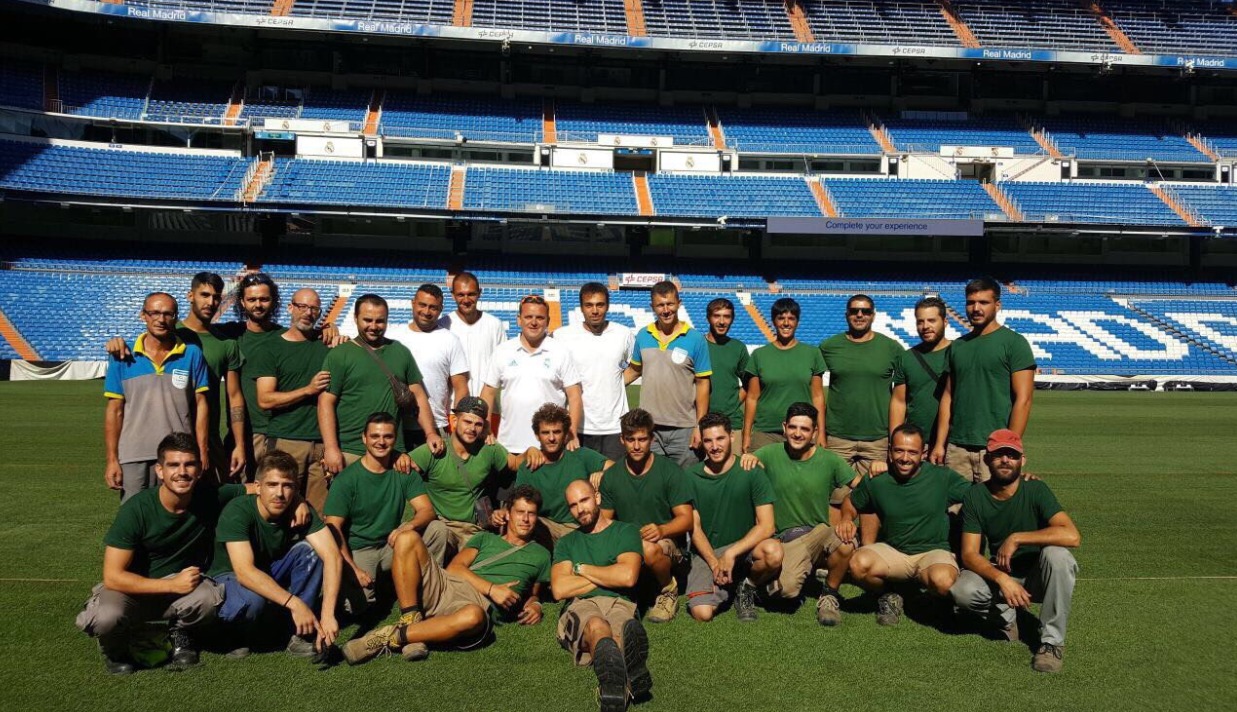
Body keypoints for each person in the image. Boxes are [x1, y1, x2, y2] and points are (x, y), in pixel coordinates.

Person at [77, 434, 245, 674]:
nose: (182, 472)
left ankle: (181, 634)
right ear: (159, 470)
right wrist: (171, 585)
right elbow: (113, 577)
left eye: (189, 464)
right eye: (173, 465)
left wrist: (299, 502)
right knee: (105, 616)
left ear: (199, 469)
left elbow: (258, 489)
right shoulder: (136, 509)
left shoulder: (210, 495)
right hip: (133, 590)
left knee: (208, 599)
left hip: (180, 589)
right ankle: (114, 648)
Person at [342, 485, 552, 665]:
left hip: (475, 605)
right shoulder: (485, 539)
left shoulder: (541, 555)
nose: (525, 519)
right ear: (508, 512)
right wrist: (492, 589)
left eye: (531, 513)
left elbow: (534, 593)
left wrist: (536, 604)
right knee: (406, 538)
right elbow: (454, 568)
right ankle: (410, 618)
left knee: (473, 616)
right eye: (520, 512)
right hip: (447, 584)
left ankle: (390, 636)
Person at [950, 429, 1080, 673]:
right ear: (988, 459)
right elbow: (969, 554)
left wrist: (1017, 538)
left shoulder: (1036, 489)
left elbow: (1072, 536)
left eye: (1012, 455)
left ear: (1023, 460)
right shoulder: (976, 496)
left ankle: (1052, 644)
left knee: (1059, 555)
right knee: (963, 590)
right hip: (1004, 571)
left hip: (1037, 574)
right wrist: (1002, 579)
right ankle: (1008, 621)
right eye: (999, 455)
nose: (1006, 460)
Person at [105, 272, 247, 484]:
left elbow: (234, 397)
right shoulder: (168, 330)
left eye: (216, 297)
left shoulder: (224, 343)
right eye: (204, 295)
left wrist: (239, 444)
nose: (211, 302)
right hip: (154, 443)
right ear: (190, 296)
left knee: (200, 508)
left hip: (206, 440)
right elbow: (144, 345)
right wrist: (116, 342)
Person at [209, 450, 343, 657]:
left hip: (267, 571)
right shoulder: (238, 511)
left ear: (295, 489)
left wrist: (327, 613)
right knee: (253, 601)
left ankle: (298, 633)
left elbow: (332, 555)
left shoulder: (300, 508)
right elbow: (244, 572)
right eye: (272, 485)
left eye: (287, 486)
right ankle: (232, 633)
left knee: (310, 552)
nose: (279, 494)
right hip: (229, 577)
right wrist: (294, 603)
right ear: (257, 487)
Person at [840, 423, 970, 627]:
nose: (905, 458)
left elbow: (979, 495)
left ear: (923, 453)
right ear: (890, 450)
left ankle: (930, 598)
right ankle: (889, 595)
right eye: (899, 450)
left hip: (932, 551)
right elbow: (851, 501)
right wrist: (847, 518)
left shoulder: (942, 477)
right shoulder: (878, 479)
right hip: (894, 551)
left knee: (944, 582)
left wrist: (1019, 482)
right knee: (858, 565)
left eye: (912, 452)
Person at [741, 402, 857, 625]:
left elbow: (862, 489)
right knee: (787, 593)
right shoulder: (768, 454)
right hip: (784, 541)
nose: (797, 433)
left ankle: (829, 595)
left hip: (818, 536)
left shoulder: (829, 460)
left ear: (815, 432)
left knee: (846, 540)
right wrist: (747, 460)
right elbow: (740, 477)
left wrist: (846, 517)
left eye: (805, 429)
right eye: (793, 427)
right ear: (784, 427)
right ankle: (762, 584)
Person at [323, 413, 441, 613]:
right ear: (364, 438)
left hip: (391, 543)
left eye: (387, 437)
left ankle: (427, 590)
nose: (381, 442)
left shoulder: (403, 471)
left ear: (395, 439)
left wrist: (408, 526)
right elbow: (332, 529)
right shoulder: (346, 480)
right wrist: (353, 569)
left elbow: (426, 510)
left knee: (438, 530)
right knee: (357, 608)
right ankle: (386, 582)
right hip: (359, 549)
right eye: (375, 436)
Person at [551, 480, 652, 712]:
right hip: (581, 605)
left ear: (597, 497)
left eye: (584, 500)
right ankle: (626, 678)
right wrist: (608, 573)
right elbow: (560, 589)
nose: (580, 509)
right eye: (573, 505)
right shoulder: (567, 542)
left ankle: (613, 690)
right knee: (597, 625)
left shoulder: (625, 531)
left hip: (620, 603)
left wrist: (582, 569)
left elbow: (627, 576)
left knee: (618, 634)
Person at [319, 294, 442, 477]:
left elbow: (418, 396)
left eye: (380, 321)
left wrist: (431, 433)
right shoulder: (340, 355)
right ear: (355, 319)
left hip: (393, 453)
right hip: (350, 451)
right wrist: (331, 448)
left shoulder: (399, 351)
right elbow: (325, 403)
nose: (374, 326)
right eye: (367, 320)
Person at [104, 292, 211, 502]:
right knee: (134, 518)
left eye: (167, 314)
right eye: (154, 313)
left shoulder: (191, 354)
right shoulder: (123, 357)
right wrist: (112, 459)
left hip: (178, 454)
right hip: (134, 454)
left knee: (177, 515)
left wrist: (202, 450)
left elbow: (201, 406)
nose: (161, 320)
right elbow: (114, 411)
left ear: (175, 317)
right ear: (143, 315)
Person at [931, 278, 1036, 482]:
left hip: (995, 450)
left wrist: (1009, 447)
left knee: (995, 510)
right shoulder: (957, 346)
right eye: (970, 302)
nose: (976, 308)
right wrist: (940, 444)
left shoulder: (1015, 344)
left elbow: (1024, 400)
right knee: (954, 511)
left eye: (983, 303)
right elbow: (947, 396)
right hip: (957, 448)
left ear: (997, 305)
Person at [598, 408, 694, 623]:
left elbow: (686, 519)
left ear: (652, 438)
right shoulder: (612, 476)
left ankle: (668, 589)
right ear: (622, 440)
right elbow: (604, 522)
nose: (637, 445)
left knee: (649, 548)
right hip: (627, 543)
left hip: (665, 545)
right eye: (631, 439)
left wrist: (662, 529)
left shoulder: (669, 472)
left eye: (642, 439)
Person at [410, 397, 530, 563]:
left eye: (478, 424)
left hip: (473, 529)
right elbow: (402, 470)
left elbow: (515, 463)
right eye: (467, 422)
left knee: (498, 556)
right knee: (438, 533)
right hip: (442, 524)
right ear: (454, 420)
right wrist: (399, 458)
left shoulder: (489, 449)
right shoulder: (435, 449)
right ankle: (430, 585)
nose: (472, 428)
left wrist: (531, 452)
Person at [685, 413, 776, 623]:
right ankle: (727, 586)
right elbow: (695, 527)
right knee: (702, 614)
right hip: (709, 551)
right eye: (708, 440)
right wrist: (715, 563)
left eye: (720, 439)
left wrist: (731, 554)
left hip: (744, 550)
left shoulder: (751, 471)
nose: (714, 446)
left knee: (773, 551)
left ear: (731, 437)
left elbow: (767, 525)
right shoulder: (690, 477)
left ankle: (747, 586)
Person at [251, 288, 332, 511]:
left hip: (322, 443)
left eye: (314, 308)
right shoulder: (271, 348)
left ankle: (309, 548)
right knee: (280, 506)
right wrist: (308, 390)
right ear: (290, 308)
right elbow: (265, 399)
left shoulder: (326, 344)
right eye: (302, 307)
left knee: (318, 512)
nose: (308, 313)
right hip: (287, 439)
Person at [623, 281, 712, 467]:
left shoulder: (696, 339)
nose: (666, 310)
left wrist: (699, 426)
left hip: (685, 429)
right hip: (649, 429)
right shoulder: (643, 335)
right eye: (660, 305)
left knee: (686, 485)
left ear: (679, 303)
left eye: (670, 304)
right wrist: (604, 384)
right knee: (654, 486)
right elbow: (634, 371)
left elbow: (703, 384)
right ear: (652, 307)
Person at [481, 294, 583, 456]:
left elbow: (575, 395)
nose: (534, 322)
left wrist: (571, 432)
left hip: (551, 445)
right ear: (518, 319)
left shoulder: (561, 352)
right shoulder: (502, 351)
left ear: (548, 321)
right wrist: (486, 429)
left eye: (539, 318)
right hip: (509, 446)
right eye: (528, 317)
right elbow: (488, 392)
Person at [501, 403, 612, 544]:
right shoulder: (529, 465)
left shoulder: (581, 456)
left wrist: (603, 473)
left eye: (557, 432)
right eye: (545, 433)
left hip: (578, 526)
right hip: (544, 528)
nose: (551, 438)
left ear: (565, 434)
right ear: (537, 435)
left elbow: (616, 469)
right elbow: (519, 502)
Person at [819, 294, 904, 478]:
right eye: (854, 311)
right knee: (835, 498)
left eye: (865, 311)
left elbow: (903, 394)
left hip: (878, 440)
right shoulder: (829, 346)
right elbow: (813, 387)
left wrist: (893, 439)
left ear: (873, 315)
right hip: (837, 437)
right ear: (846, 315)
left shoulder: (892, 348)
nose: (859, 315)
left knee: (872, 498)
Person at [554, 282, 633, 461]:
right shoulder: (563, 336)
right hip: (579, 428)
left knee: (612, 483)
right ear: (581, 308)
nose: (595, 310)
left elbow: (634, 367)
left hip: (615, 426)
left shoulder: (623, 334)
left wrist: (615, 383)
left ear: (607, 306)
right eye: (589, 305)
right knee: (580, 484)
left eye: (600, 305)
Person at [386, 283, 469, 449]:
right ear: (413, 303)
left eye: (433, 307)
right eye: (422, 305)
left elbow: (460, 386)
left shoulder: (450, 340)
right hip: (397, 425)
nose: (426, 311)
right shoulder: (393, 337)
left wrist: (458, 422)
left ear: (440, 309)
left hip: (437, 425)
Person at [743, 297, 826, 454]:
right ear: (774, 321)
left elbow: (818, 397)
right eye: (781, 318)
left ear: (798, 322)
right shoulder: (759, 355)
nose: (786, 323)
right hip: (766, 433)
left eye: (791, 318)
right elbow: (752, 398)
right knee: (761, 477)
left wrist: (821, 432)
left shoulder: (813, 353)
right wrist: (747, 435)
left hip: (802, 432)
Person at [890, 296, 952, 444]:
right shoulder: (906, 358)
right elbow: (899, 402)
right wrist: (894, 442)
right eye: (920, 321)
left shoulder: (960, 352)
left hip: (954, 444)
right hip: (916, 444)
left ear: (945, 322)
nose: (925, 326)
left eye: (931, 320)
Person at [439, 271, 506, 399]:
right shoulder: (443, 326)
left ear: (479, 293)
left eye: (471, 294)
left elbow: (502, 366)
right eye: (460, 295)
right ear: (453, 295)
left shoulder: (495, 325)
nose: (466, 300)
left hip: (488, 406)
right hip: (453, 407)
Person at [703, 297, 751, 455]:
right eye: (717, 316)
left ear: (732, 319)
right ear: (708, 317)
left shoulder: (738, 348)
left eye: (727, 316)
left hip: (732, 422)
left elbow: (750, 384)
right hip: (700, 422)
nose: (722, 321)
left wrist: (734, 402)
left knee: (732, 473)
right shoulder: (697, 345)